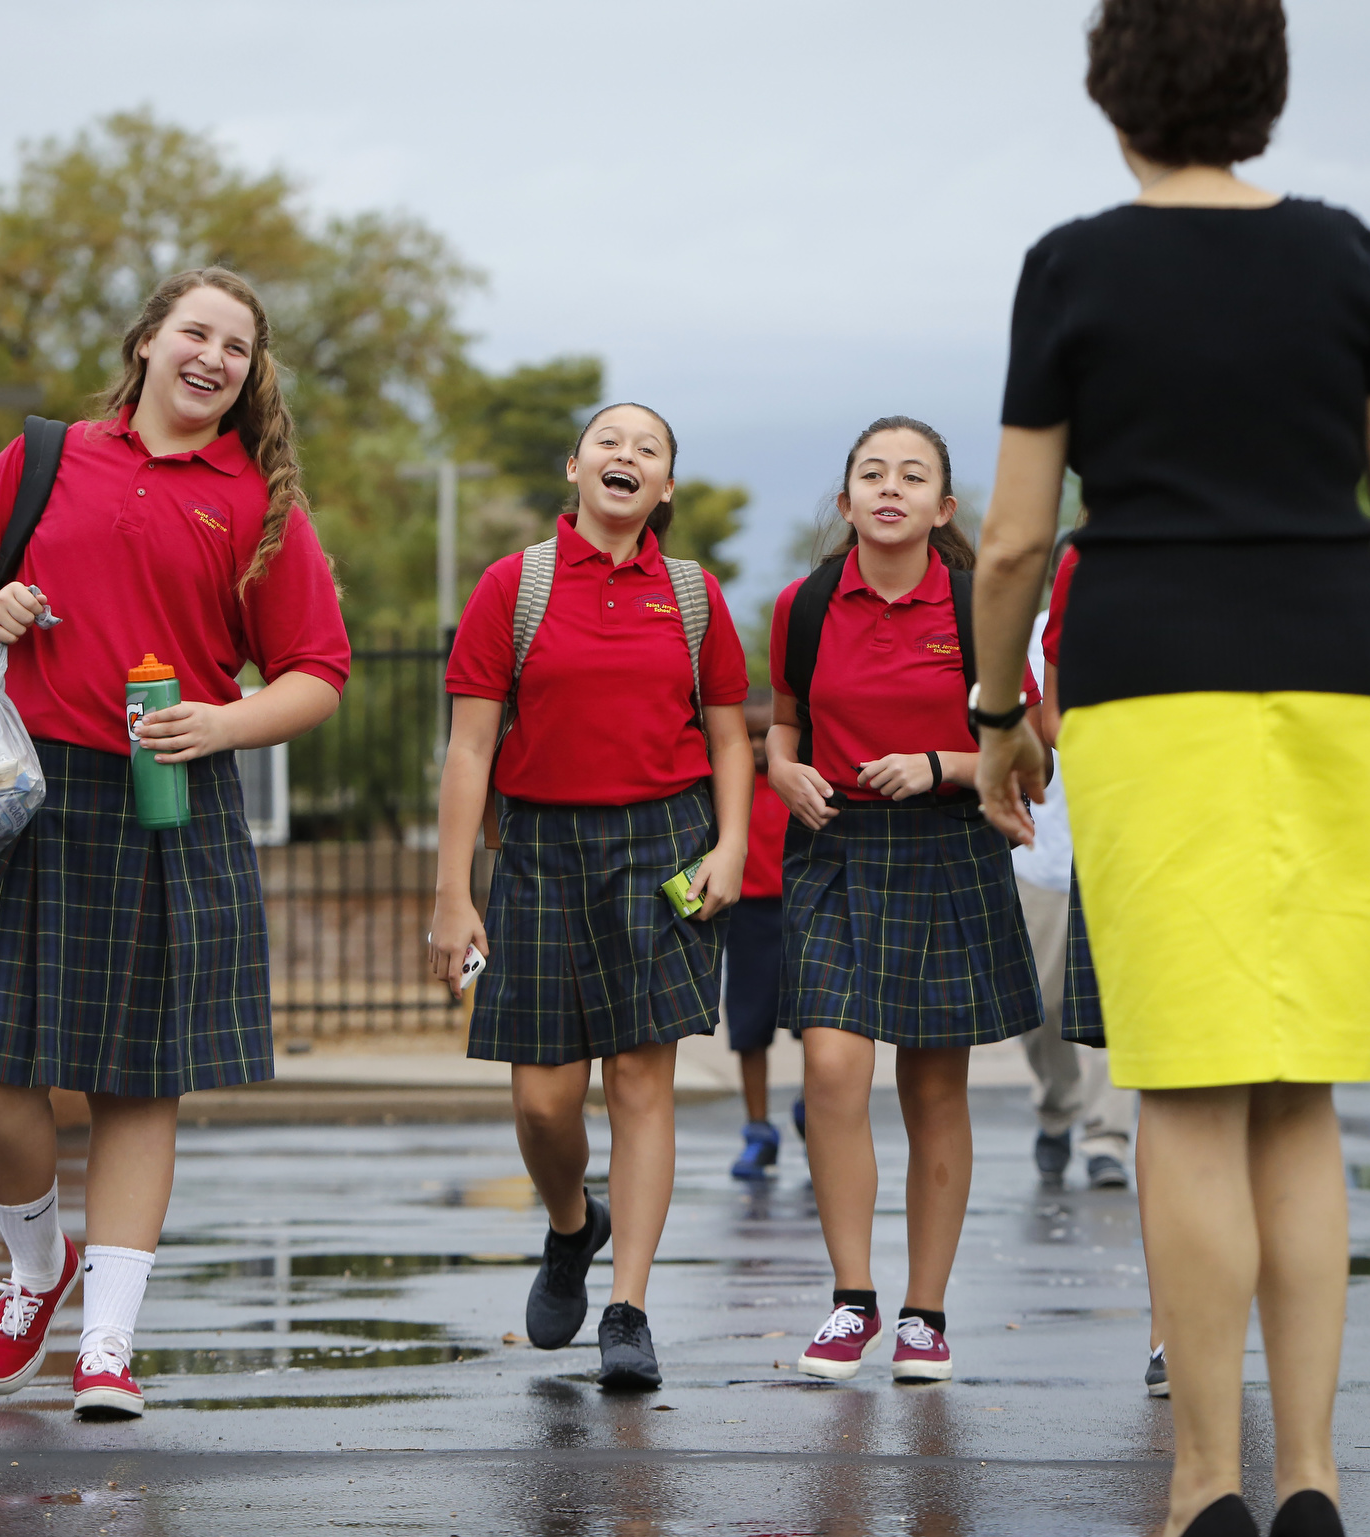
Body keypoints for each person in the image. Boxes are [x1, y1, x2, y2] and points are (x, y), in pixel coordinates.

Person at [969, 2, 1370, 1533]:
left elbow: (1018, 538)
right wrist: (1358, 645)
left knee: (1182, 1090)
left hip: (1152, 684)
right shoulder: (1344, 251)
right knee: (1299, 1092)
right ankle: (1310, 1475)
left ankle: (1205, 1484)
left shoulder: (1075, 265)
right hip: (1343, 680)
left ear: (1114, 94)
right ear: (1268, 89)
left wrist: (996, 711)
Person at [0, 267, 350, 1421]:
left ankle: (107, 1345)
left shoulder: (258, 501)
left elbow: (319, 674)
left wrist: (224, 722)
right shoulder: (48, 455)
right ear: (147, 341)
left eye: (237, 348)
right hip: (24, 791)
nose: (212, 357)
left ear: (250, 377)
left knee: (137, 1085)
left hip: (170, 798)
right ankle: (37, 1268)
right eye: (194, 333)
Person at [430, 402, 754, 1391]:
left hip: (661, 843)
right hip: (537, 849)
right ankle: (572, 1225)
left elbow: (733, 735)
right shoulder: (513, 586)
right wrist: (452, 893)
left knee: (640, 1084)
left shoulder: (692, 598)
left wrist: (733, 844)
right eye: (608, 442)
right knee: (541, 1101)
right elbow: (469, 749)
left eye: (646, 450)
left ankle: (629, 1306)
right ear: (574, 468)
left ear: (661, 490)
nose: (625, 456)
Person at [767, 416, 1045, 1385]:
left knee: (934, 1090)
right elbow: (782, 727)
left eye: (911, 474)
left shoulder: (980, 610)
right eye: (870, 473)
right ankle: (852, 1301)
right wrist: (781, 771)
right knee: (833, 1073)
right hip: (837, 850)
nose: (890, 487)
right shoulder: (803, 606)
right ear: (844, 502)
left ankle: (924, 1314)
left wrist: (942, 763)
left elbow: (1033, 758)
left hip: (947, 849)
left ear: (942, 505)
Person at [1016, 541, 1137, 1192]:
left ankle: (1107, 1138)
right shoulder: (1031, 642)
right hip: (1042, 852)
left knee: (1114, 1006)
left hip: (1120, 850)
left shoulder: (1140, 632)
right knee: (1043, 1007)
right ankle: (1059, 1105)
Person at [726, 688, 795, 1179]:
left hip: (800, 909)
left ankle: (818, 1110)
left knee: (818, 1025)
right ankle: (757, 1128)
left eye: (761, 736)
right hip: (747, 915)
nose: (753, 747)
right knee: (750, 1030)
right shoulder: (728, 789)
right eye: (744, 737)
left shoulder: (796, 782)